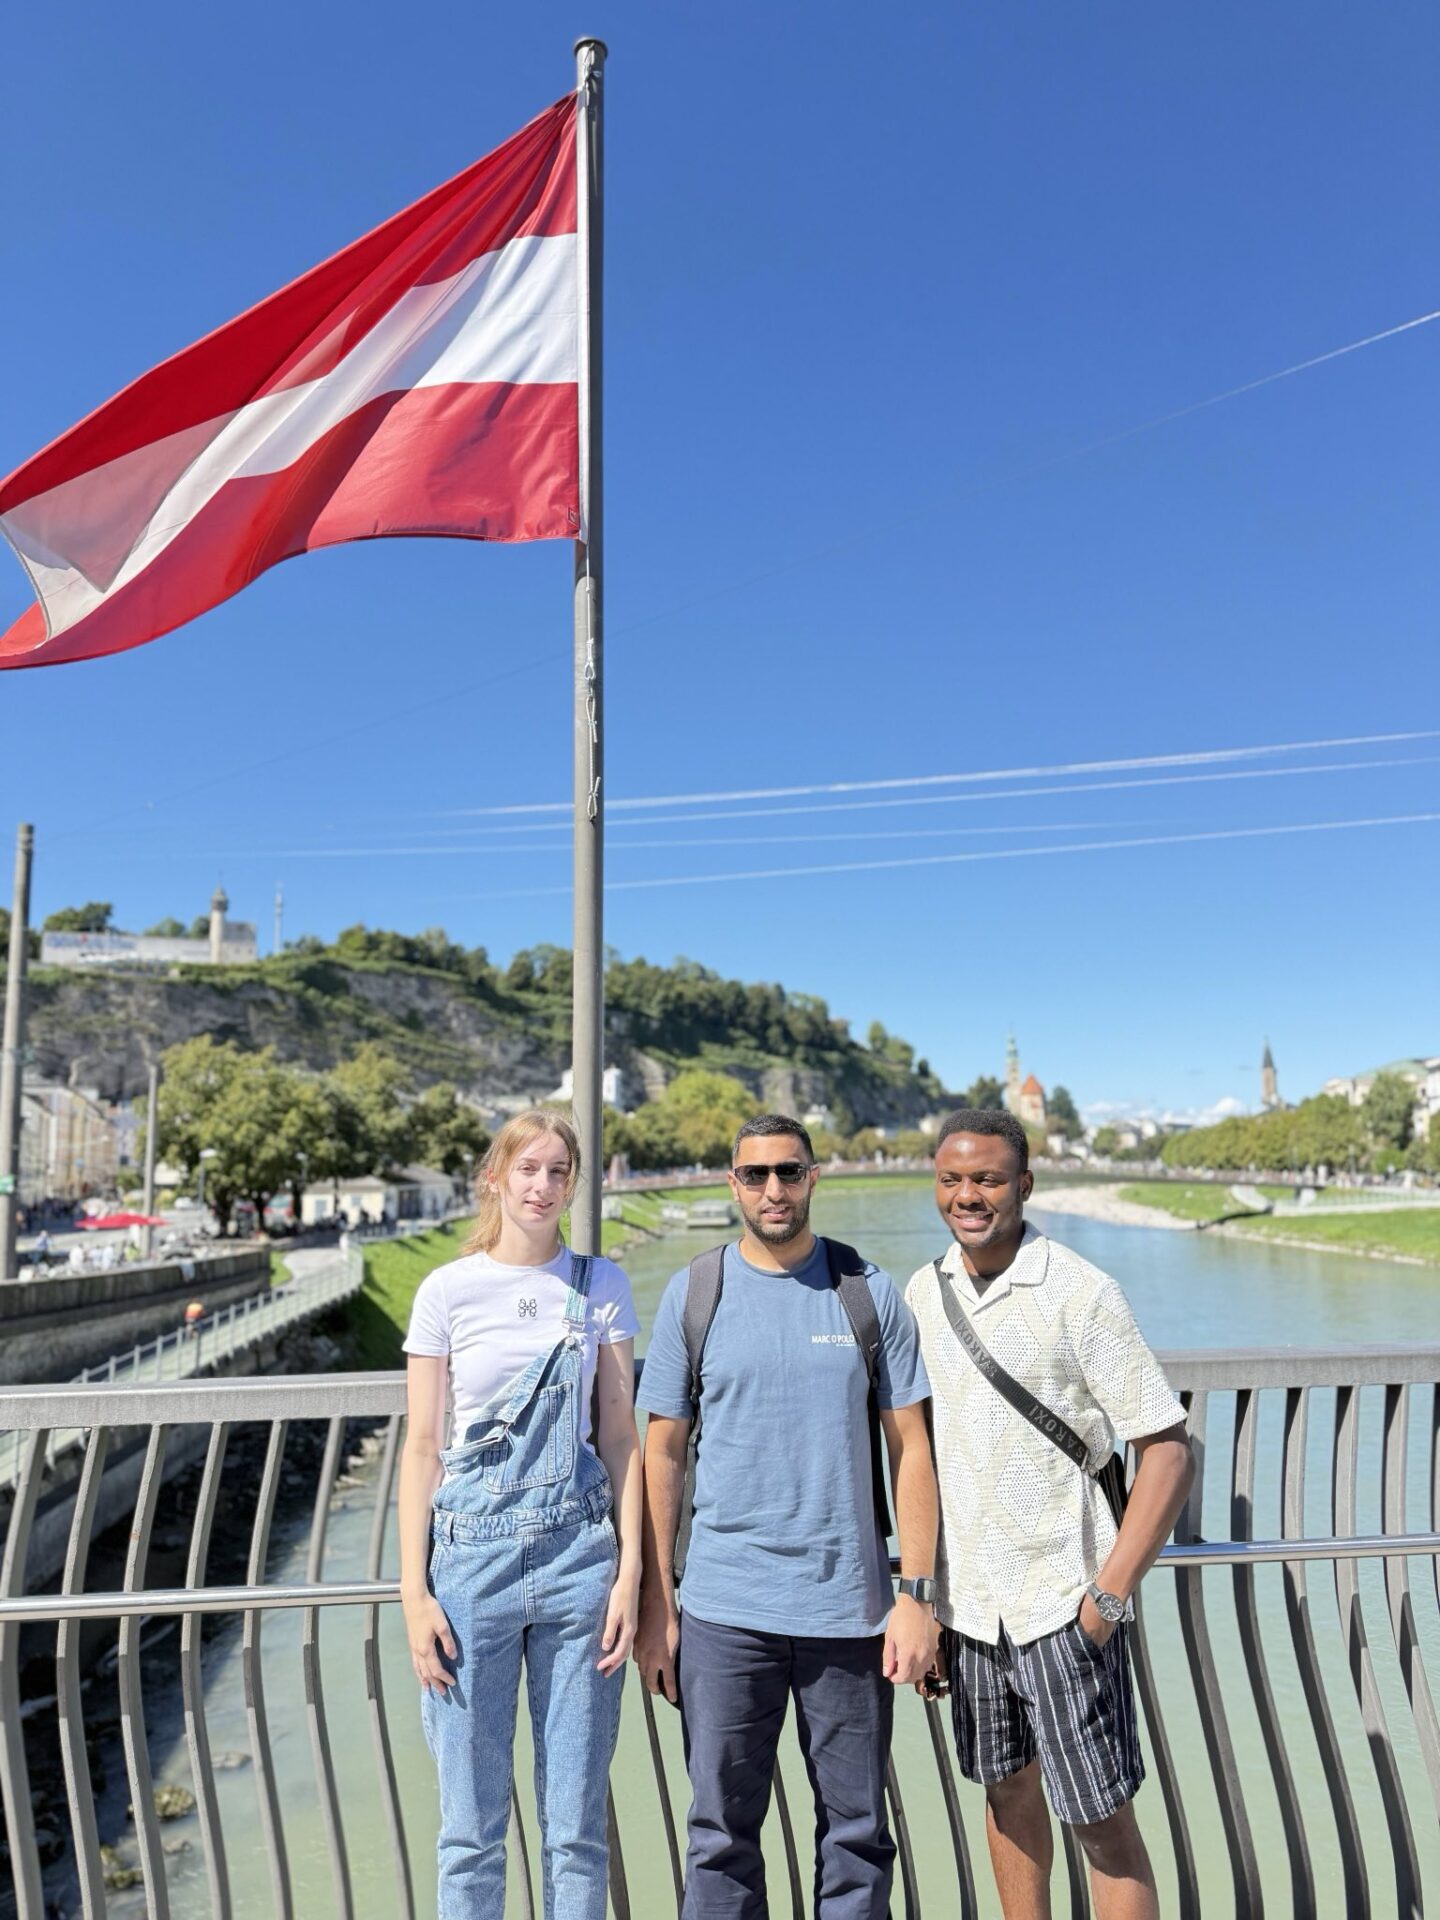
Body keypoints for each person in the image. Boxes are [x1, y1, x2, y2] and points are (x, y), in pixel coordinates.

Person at [635, 1113, 939, 1920]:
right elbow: (661, 1453)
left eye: (790, 1172)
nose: (775, 1189)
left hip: (851, 1614)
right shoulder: (695, 1292)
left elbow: (912, 1449)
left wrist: (917, 1596)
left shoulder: (867, 1292)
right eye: (756, 1174)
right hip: (723, 1616)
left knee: (857, 1836)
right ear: (732, 1183)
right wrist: (658, 1602)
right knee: (720, 1838)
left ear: (814, 1177)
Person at [906, 1110, 1193, 1920]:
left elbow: (1168, 1451)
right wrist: (925, 1600)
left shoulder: (1080, 1290)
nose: (969, 1195)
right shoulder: (924, 1293)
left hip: (1062, 1605)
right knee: (1005, 1796)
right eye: (953, 1179)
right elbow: (915, 1450)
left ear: (1024, 1187)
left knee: (1102, 1824)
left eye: (989, 1179)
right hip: (969, 1615)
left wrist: (1105, 1600)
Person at [398, 1110, 642, 1919]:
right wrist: (413, 1594)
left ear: (574, 1184)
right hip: (469, 1570)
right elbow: (424, 1446)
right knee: (469, 1832)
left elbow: (618, 1435)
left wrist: (630, 1573)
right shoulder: (446, 1290)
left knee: (576, 1828)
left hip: (581, 1562)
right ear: (495, 1177)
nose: (543, 1186)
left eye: (559, 1172)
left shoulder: (598, 1284)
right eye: (528, 1169)